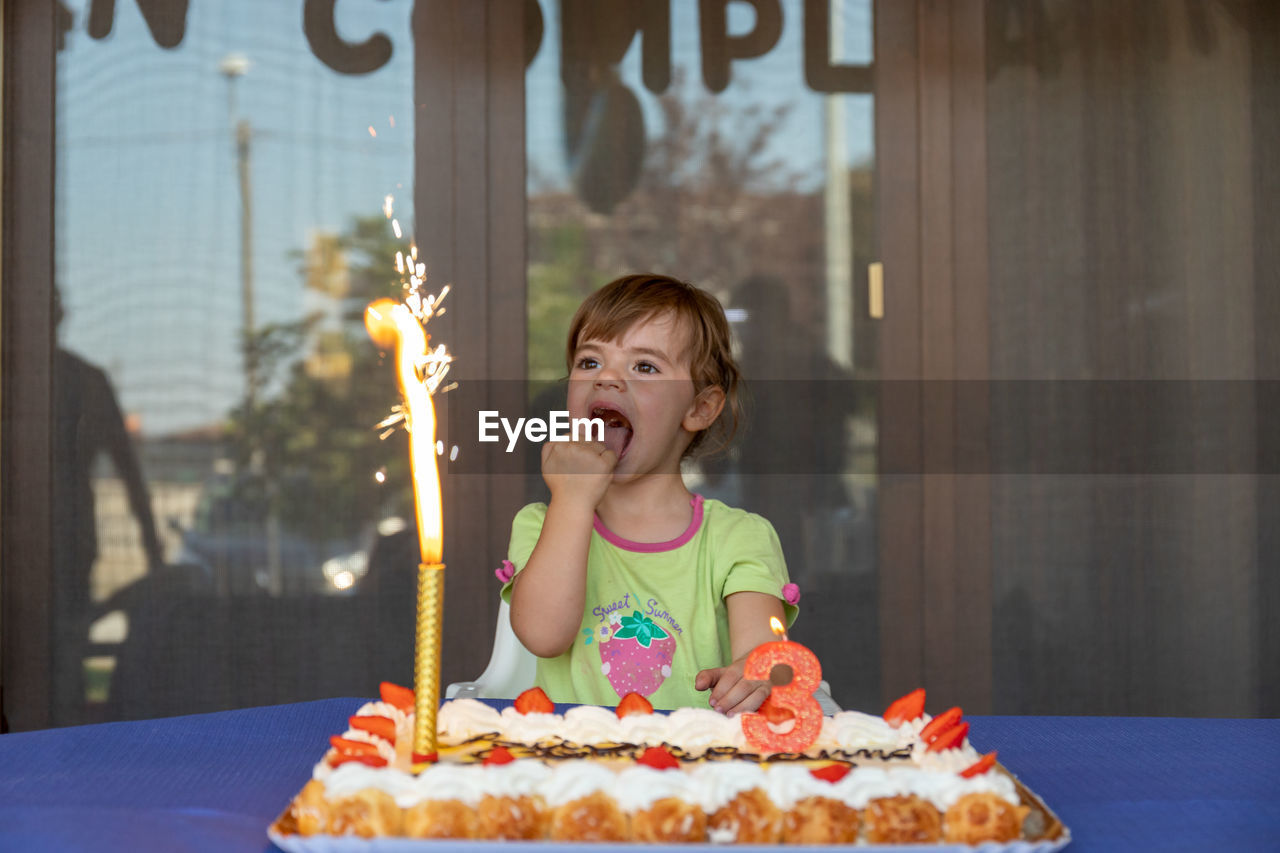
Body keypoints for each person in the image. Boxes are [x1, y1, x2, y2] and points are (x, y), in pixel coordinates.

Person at [502, 274, 797, 714]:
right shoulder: (542, 524)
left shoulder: (740, 537)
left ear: (699, 408)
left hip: (696, 773)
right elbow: (544, 636)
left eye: (645, 367)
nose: (607, 379)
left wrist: (754, 675)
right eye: (588, 362)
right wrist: (573, 501)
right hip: (575, 767)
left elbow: (765, 660)